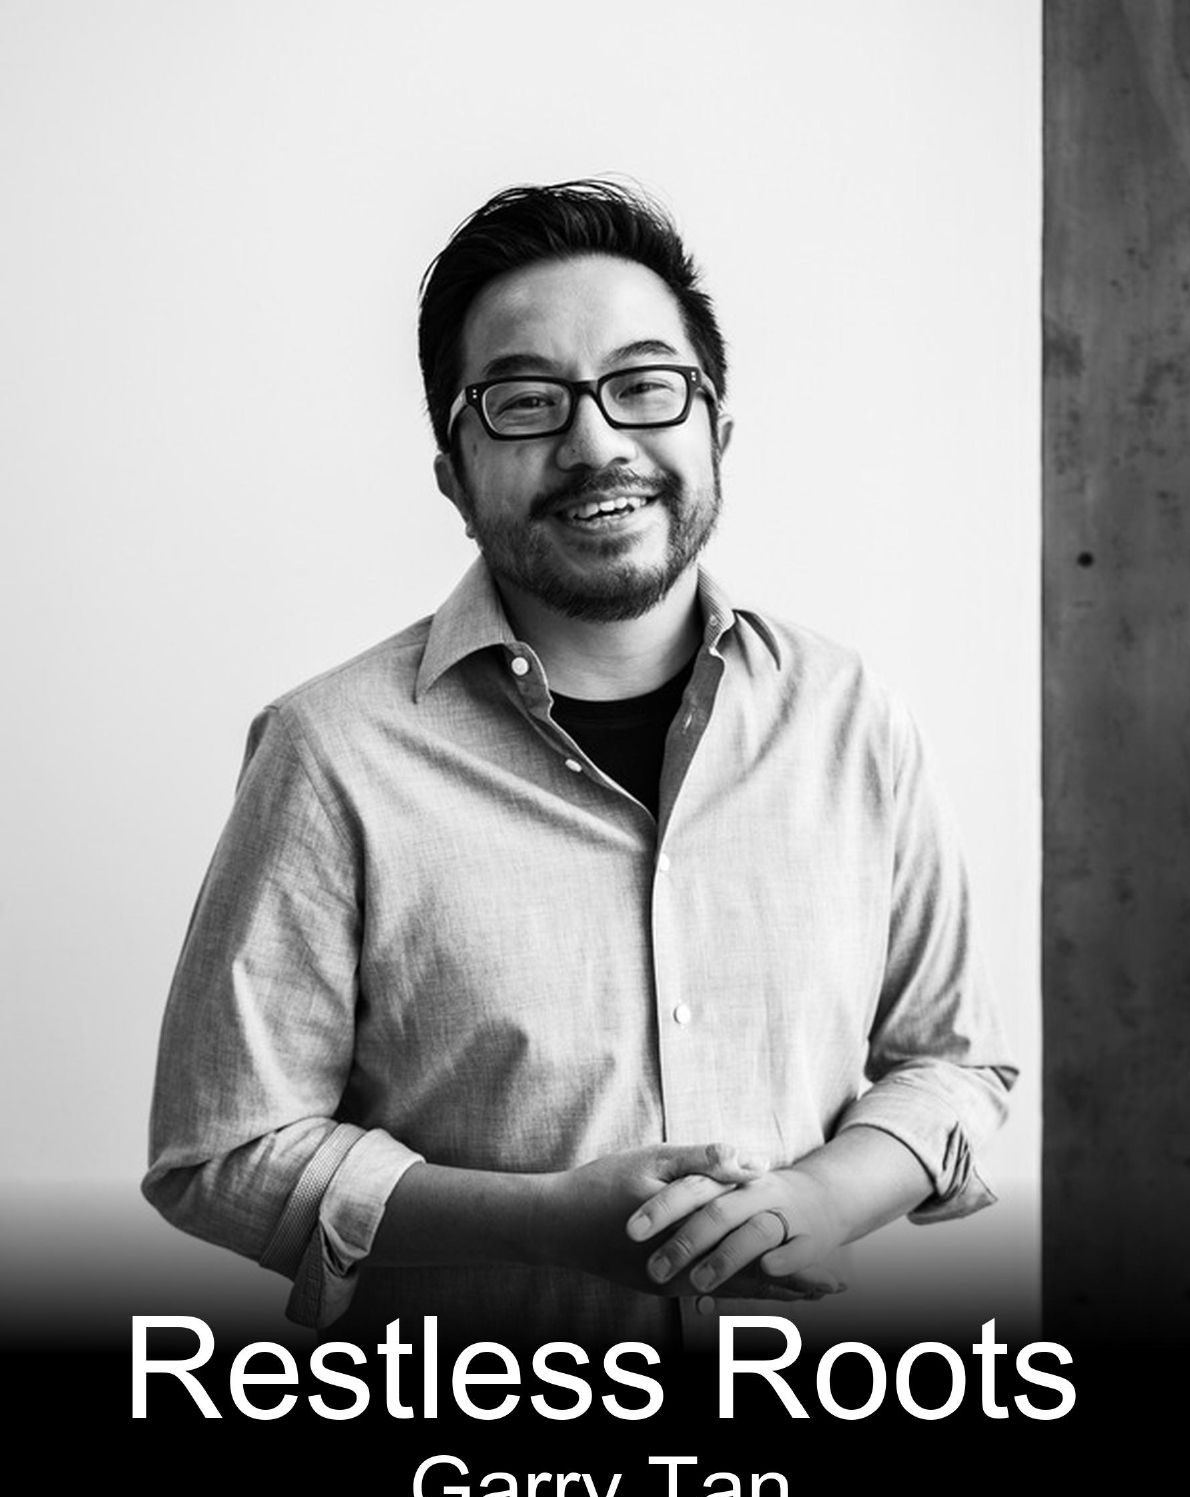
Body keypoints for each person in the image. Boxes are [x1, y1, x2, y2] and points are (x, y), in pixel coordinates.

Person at [143, 179, 1017, 1353]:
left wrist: (822, 1198)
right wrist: (540, 1225)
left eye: (645, 386)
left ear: (717, 433)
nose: (596, 443)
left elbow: (952, 1063)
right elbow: (224, 1152)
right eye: (525, 403)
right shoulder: (330, 752)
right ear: (454, 475)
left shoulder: (850, 717)